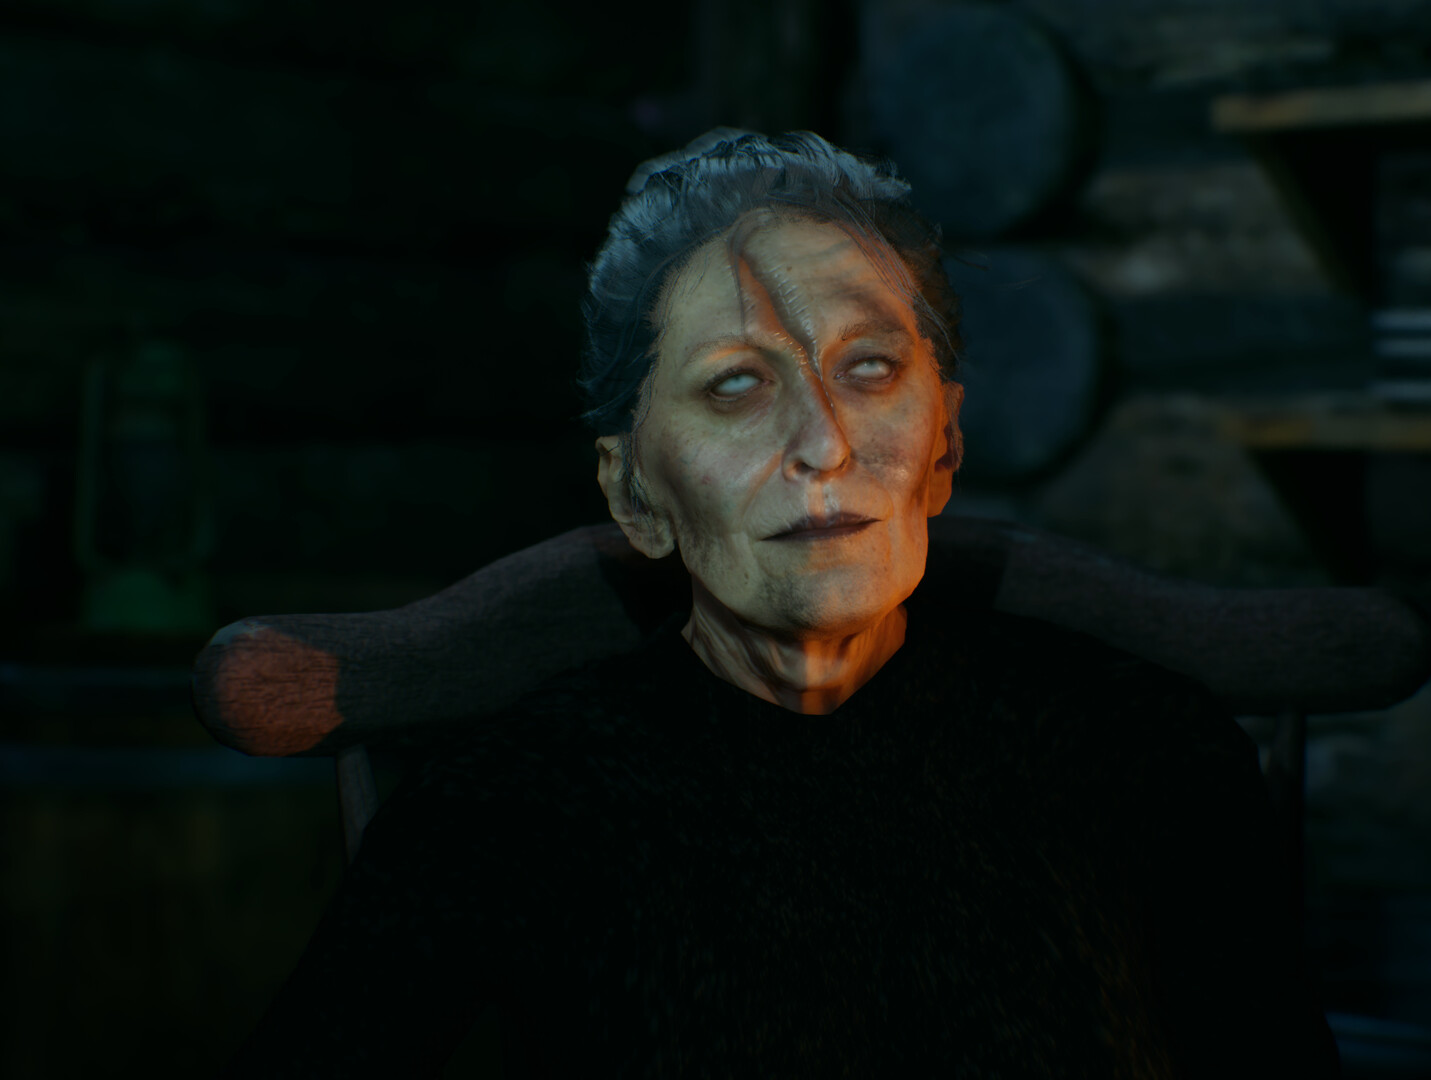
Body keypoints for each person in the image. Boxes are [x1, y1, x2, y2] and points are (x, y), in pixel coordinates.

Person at [225, 130, 1338, 1077]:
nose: (823, 444)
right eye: (736, 385)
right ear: (636, 491)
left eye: (870, 369)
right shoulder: (513, 802)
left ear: (944, 445)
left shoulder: (1143, 749)